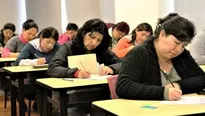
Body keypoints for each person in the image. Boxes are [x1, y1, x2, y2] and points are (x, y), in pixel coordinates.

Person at [116, 13, 205, 101]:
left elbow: (202, 78)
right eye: (176, 43)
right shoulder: (140, 53)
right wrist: (163, 93)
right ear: (162, 34)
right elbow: (124, 86)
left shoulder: (182, 55)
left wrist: (178, 85)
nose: (178, 49)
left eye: (183, 45)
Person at [47, 18, 122, 115]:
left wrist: (112, 68)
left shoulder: (102, 50)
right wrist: (75, 72)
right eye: (92, 37)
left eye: (99, 40)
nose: (94, 43)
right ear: (83, 33)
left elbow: (124, 63)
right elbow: (52, 68)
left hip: (98, 94)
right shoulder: (69, 47)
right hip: (71, 94)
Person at [14, 27, 60, 112]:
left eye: (53, 43)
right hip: (33, 81)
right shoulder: (31, 46)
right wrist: (34, 62)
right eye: (48, 42)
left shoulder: (57, 46)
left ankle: (51, 110)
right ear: (41, 38)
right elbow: (18, 61)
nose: (50, 46)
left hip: (51, 78)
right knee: (42, 90)